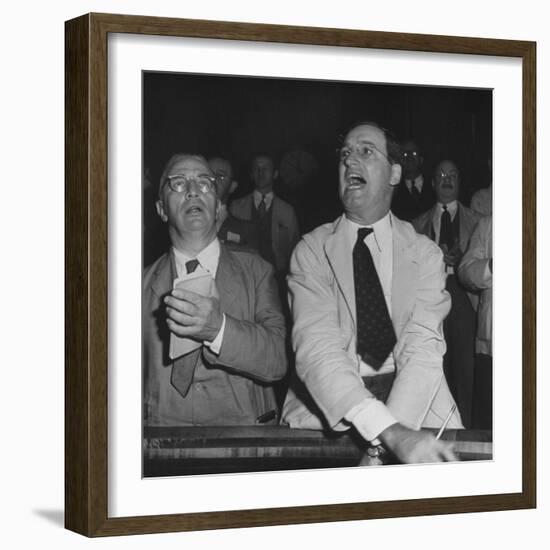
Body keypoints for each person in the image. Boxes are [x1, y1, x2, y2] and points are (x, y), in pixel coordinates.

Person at [282, 122, 462, 464]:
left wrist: (386, 443)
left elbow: (423, 352)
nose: (350, 161)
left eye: (365, 151)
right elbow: (317, 350)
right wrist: (388, 433)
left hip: (416, 408)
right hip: (327, 409)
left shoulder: (425, 254)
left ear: (395, 173)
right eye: (345, 154)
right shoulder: (310, 250)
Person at [143, 153, 287, 426]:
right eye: (178, 183)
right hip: (163, 445)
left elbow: (277, 360)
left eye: (204, 182)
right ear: (161, 209)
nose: (193, 191)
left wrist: (218, 329)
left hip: (243, 441)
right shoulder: (137, 286)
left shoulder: (257, 271)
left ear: (218, 205)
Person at [412, 160, 481, 428]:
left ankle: (464, 429)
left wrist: (463, 260)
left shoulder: (477, 222)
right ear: (432, 183)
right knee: (432, 364)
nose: (447, 179)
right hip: (431, 296)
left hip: (465, 297)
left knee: (466, 368)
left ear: (460, 182)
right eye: (441, 174)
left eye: (452, 175)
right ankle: (432, 426)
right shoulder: (416, 225)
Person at [230, 153, 300, 275]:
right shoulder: (236, 207)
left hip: (277, 275)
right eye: (257, 168)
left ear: (275, 174)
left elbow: (294, 247)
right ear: (251, 175)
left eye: (266, 168)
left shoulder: (287, 211)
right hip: (243, 273)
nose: (261, 172)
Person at [458, 215, 493, 429]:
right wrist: (491, 266)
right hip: (491, 346)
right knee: (487, 422)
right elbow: (465, 271)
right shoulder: (488, 224)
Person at [208, 156, 259, 249]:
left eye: (220, 176)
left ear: (232, 186)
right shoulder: (184, 221)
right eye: (207, 175)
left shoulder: (245, 231)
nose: (213, 180)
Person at [391, 139, 435, 221]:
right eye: (405, 154)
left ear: (421, 159)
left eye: (414, 153)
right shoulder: (393, 192)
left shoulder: (435, 186)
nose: (409, 157)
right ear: (399, 161)